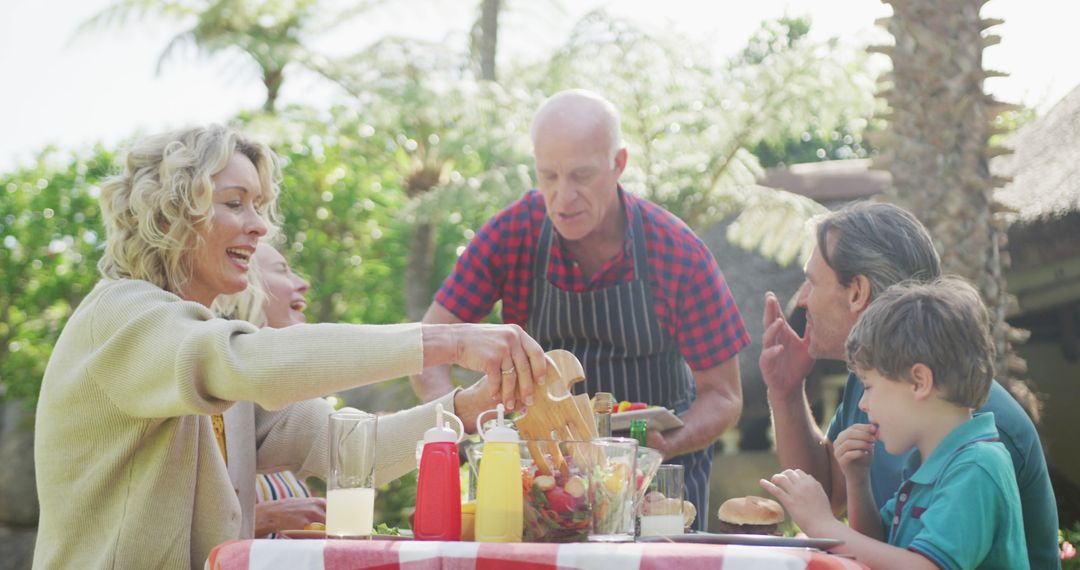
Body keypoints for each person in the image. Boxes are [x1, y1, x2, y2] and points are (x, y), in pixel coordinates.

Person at [32, 125, 547, 569]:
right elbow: (249, 362)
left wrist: (467, 408)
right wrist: (450, 339)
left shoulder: (206, 339)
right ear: (168, 215)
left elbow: (343, 446)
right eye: (234, 204)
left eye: (258, 206)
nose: (258, 226)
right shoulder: (121, 315)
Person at [411, 89, 750, 528]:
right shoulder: (513, 233)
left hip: (655, 482)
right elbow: (427, 348)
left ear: (619, 164)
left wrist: (656, 451)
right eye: (548, 176)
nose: (562, 196)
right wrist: (459, 424)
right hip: (538, 476)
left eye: (581, 176)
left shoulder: (676, 249)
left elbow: (724, 396)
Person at [760, 202, 1058, 567]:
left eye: (812, 281)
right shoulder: (889, 400)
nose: (802, 299)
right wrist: (787, 391)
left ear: (857, 291)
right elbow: (846, 512)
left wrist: (823, 524)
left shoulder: (982, 439)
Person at [212, 242, 323, 538]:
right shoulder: (209, 400)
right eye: (283, 271)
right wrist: (263, 519)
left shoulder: (274, 407)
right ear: (243, 289)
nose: (303, 283)